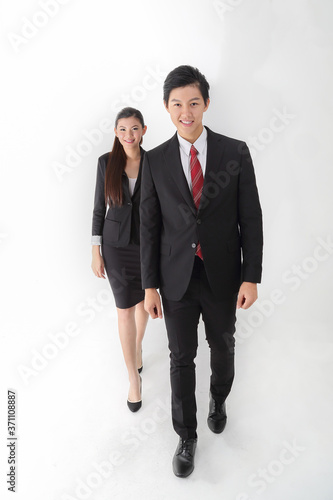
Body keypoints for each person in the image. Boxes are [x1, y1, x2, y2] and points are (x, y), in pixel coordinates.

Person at [140, 66, 263, 477]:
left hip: (223, 273)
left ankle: (218, 397)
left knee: (223, 345)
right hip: (174, 277)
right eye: (177, 104)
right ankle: (186, 435)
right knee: (180, 357)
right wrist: (149, 286)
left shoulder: (235, 152)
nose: (186, 111)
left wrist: (251, 275)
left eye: (193, 102)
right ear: (166, 108)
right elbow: (149, 226)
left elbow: (251, 218)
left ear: (206, 104)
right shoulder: (154, 160)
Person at [91, 107, 149, 412]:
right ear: (116, 132)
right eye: (123, 129)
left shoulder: (154, 162)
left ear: (144, 130)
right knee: (124, 309)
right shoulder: (106, 163)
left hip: (147, 246)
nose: (129, 135)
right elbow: (99, 209)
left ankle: (137, 347)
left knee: (144, 305)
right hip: (115, 248)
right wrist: (95, 250)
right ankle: (133, 380)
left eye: (135, 128)